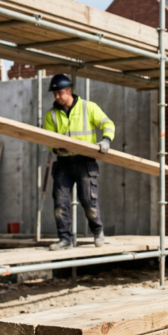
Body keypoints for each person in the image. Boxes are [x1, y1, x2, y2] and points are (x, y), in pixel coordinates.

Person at [43, 73, 115, 250]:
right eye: (55, 95)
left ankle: (97, 231)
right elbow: (47, 139)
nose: (57, 97)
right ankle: (65, 239)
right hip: (63, 163)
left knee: (88, 201)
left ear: (69, 90)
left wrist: (106, 140)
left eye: (60, 93)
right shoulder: (51, 114)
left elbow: (108, 124)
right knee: (60, 203)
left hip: (85, 161)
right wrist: (55, 149)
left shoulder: (88, 107)